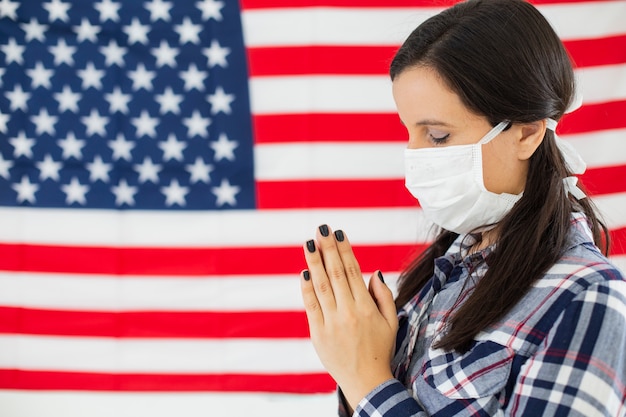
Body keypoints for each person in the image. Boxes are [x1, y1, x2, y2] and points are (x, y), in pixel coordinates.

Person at [299, 0, 626, 416]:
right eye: (409, 134)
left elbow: (373, 391)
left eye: (437, 136)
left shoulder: (586, 296)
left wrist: (365, 379)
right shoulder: (437, 277)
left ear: (527, 133)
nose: (414, 160)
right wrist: (354, 365)